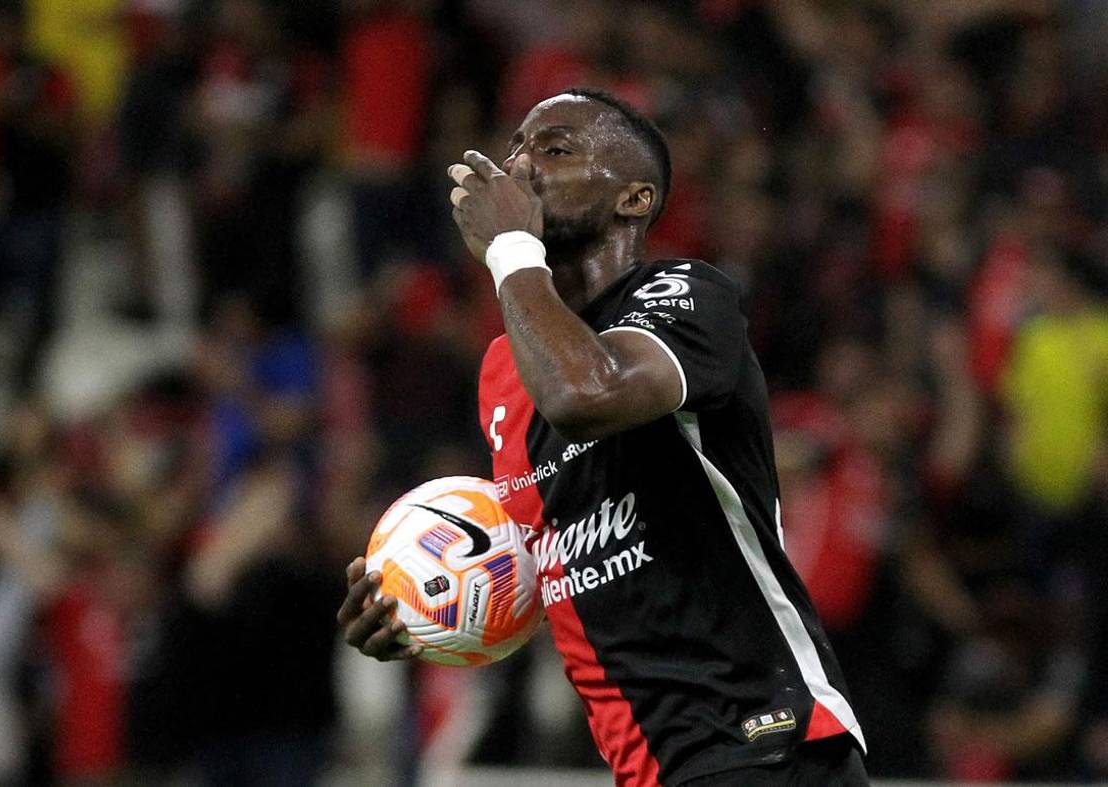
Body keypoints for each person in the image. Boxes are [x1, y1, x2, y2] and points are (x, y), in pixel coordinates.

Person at [337, 88, 868, 786]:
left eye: (555, 149)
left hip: (765, 743)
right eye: (516, 149)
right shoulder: (505, 372)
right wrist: (425, 607)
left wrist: (512, 251)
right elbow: (550, 570)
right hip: (647, 767)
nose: (522, 166)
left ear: (634, 199)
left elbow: (588, 393)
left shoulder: (688, 296)